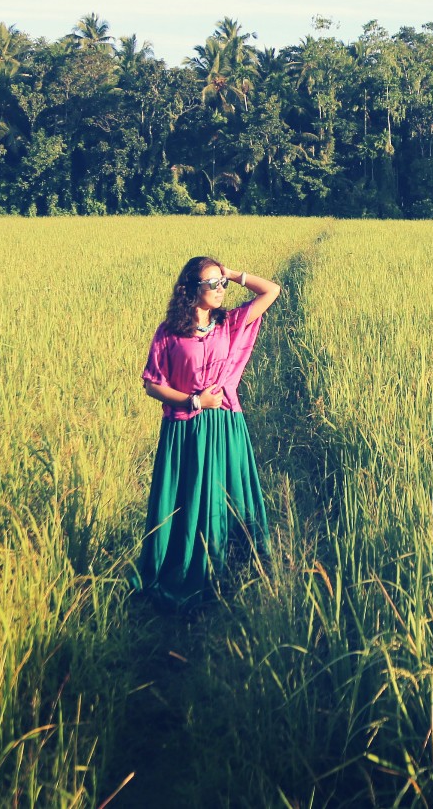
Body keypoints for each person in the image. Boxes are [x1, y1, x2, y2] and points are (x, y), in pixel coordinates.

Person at [134, 255, 283, 609]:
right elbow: (152, 384)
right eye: (211, 284)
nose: (220, 290)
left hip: (225, 426)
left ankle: (232, 572)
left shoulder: (229, 323)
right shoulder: (169, 332)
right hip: (185, 429)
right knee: (184, 501)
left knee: (226, 496)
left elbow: (271, 290)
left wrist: (231, 273)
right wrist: (194, 402)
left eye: (221, 284)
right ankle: (181, 570)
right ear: (190, 290)